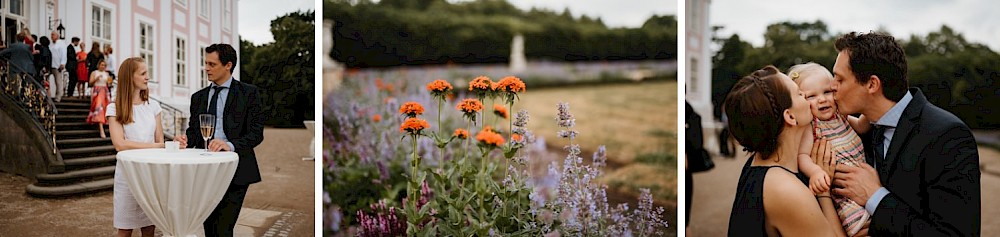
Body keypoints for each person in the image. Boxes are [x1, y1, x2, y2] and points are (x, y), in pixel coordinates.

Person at [830, 31, 981, 236]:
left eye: (839, 79)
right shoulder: (859, 132)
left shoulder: (948, 136)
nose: (832, 87)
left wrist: (876, 197)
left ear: (872, 84)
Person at [725, 65, 846, 236]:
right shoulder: (786, 190)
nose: (805, 95)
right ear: (790, 116)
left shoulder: (757, 162)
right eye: (799, 93)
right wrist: (824, 193)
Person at [185, 43, 264, 237]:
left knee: (223, 229)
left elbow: (256, 133)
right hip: (204, 171)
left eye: (212, 64)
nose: (206, 68)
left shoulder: (249, 93)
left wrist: (229, 145)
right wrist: (184, 141)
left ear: (228, 65)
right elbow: (193, 133)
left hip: (236, 170)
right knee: (209, 228)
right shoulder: (198, 97)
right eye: (206, 63)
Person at [106, 57, 188, 237]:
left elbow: (160, 139)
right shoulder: (114, 108)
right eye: (143, 73)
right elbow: (120, 144)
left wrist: (173, 143)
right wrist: (159, 145)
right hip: (127, 175)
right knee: (124, 230)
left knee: (149, 228)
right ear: (130, 77)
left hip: (151, 175)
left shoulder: (153, 106)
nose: (147, 77)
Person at [788, 62, 871, 235]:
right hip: (843, 193)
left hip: (865, 179)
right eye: (811, 96)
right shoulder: (811, 127)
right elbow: (802, 156)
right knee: (863, 228)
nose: (822, 99)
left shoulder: (841, 116)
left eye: (827, 92)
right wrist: (815, 172)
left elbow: (862, 127)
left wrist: (870, 106)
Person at [87, 60, 112, 138]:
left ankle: (107, 128)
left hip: (105, 91)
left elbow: (109, 84)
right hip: (97, 91)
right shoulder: (94, 73)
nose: (103, 66)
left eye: (104, 65)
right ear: (98, 65)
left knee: (106, 109)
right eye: (101, 65)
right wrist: (96, 79)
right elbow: (90, 83)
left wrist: (110, 82)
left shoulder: (106, 74)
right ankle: (101, 130)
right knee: (99, 107)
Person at [48, 31, 67, 101]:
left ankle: (58, 97)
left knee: (58, 82)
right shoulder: (52, 45)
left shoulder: (61, 44)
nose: (51, 36)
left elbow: (64, 53)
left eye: (53, 35)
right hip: (51, 65)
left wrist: (62, 63)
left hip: (57, 65)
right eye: (51, 35)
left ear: (57, 36)